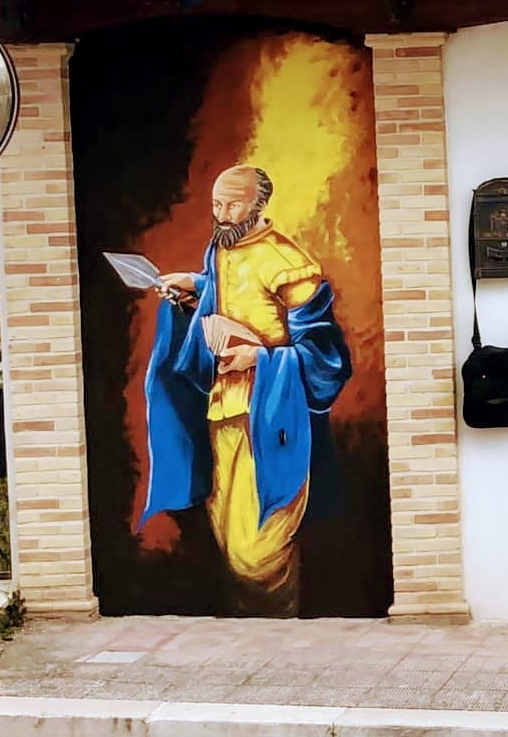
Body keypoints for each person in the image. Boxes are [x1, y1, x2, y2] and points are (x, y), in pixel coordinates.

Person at [139, 165, 352, 617]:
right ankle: (249, 636)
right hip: (222, 412)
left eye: (232, 204)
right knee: (226, 534)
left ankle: (280, 633)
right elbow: (225, 297)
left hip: (273, 417)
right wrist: (195, 287)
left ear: (258, 205)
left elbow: (326, 355)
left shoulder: (289, 265)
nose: (222, 214)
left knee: (257, 553)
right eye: (216, 204)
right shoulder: (220, 251)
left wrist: (259, 358)